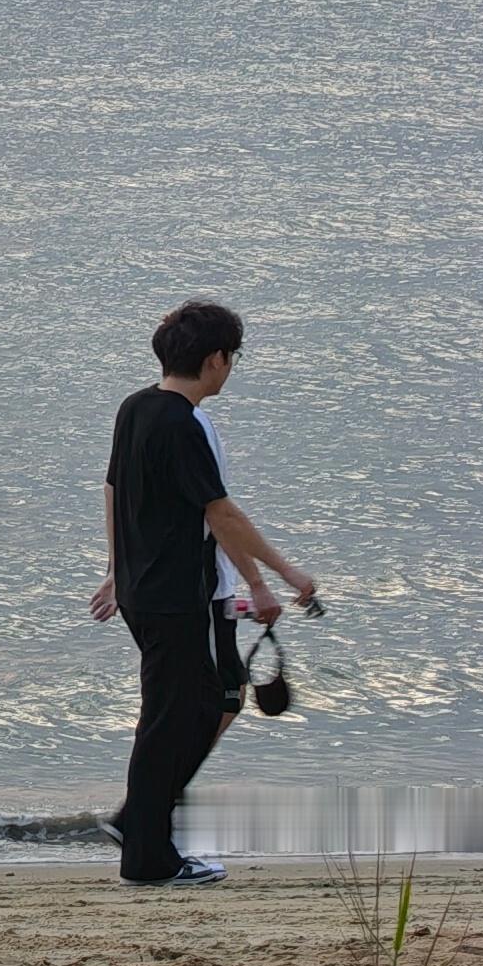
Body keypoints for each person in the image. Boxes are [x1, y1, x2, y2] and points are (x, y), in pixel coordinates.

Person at [93, 300, 322, 889]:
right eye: (232, 359)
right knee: (172, 720)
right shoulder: (182, 423)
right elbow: (220, 514)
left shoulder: (136, 407)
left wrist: (117, 569)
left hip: (146, 591)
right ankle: (146, 856)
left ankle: (143, 830)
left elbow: (114, 491)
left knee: (194, 710)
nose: (231, 368)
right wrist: (282, 574)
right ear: (216, 359)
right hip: (176, 595)